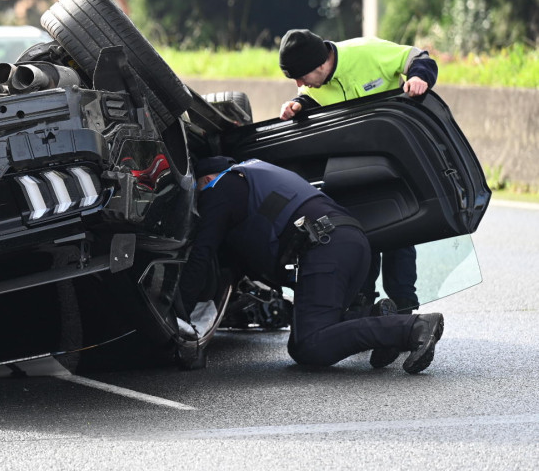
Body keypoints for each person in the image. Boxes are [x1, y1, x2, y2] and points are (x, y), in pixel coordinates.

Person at [180, 156, 444, 373]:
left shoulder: (220, 188)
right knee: (308, 339)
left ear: (205, 180)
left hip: (326, 248)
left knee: (310, 344)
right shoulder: (256, 170)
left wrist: (179, 312)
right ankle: (376, 321)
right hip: (351, 242)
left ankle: (413, 328)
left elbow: (202, 253)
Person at [277, 29, 439, 314]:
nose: (300, 83)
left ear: (319, 64)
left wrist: (418, 77)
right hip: (354, 171)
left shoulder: (367, 52)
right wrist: (298, 105)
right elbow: (312, 100)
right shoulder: (314, 84)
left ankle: (404, 309)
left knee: (399, 237)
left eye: (301, 77)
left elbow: (418, 58)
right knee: (361, 237)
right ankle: (362, 307)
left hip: (396, 164)